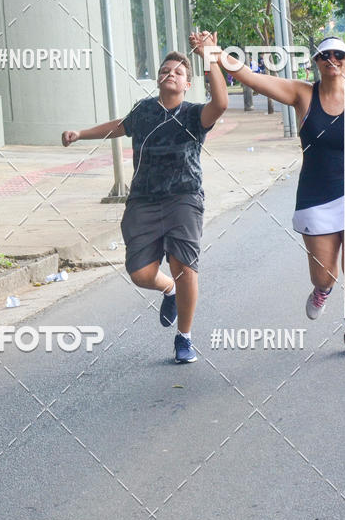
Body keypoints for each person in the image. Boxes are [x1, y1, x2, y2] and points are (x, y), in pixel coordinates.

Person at [194, 26, 345, 356]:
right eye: (325, 55)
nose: (332, 59)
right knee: (325, 274)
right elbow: (248, 76)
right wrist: (212, 53)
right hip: (316, 198)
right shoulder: (301, 93)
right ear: (317, 62)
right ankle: (323, 289)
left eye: (339, 55)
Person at [61, 44, 227, 364]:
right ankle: (169, 291)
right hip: (144, 200)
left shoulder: (193, 114)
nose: (171, 74)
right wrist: (80, 133)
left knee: (183, 266)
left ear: (186, 84)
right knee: (140, 273)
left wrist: (211, 57)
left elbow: (219, 104)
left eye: (178, 72)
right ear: (158, 79)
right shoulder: (144, 110)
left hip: (184, 198)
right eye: (166, 70)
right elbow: (118, 127)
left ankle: (185, 337)